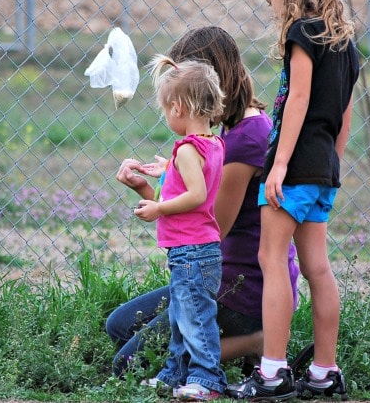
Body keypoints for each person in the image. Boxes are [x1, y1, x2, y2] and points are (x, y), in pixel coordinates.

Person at [107, 26, 303, 388]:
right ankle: (206, 348)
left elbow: (211, 225)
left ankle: (256, 341)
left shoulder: (245, 139)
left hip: (239, 290)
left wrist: (163, 197)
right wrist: (152, 187)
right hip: (209, 273)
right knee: (118, 325)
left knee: (128, 365)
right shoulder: (221, 132)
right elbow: (195, 211)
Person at [225, 0, 359, 401]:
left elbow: (297, 100)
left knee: (272, 259)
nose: (272, 9)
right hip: (322, 170)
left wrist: (278, 165)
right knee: (318, 268)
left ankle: (271, 372)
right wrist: (332, 163)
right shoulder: (346, 44)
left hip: (293, 167)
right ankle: (324, 373)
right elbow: (343, 116)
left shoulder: (303, 33)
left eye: (271, 0)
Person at [130, 53, 228, 401]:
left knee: (196, 319)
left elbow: (197, 194)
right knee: (181, 317)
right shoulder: (213, 144)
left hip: (191, 250)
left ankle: (208, 380)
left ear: (178, 108)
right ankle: (175, 374)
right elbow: (195, 177)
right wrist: (168, 168)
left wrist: (158, 208)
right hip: (199, 249)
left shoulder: (187, 149)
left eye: (165, 109)